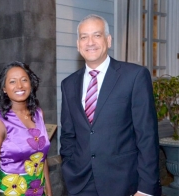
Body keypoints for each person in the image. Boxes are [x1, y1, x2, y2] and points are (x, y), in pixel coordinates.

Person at [60, 14, 160, 196]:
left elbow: (147, 135)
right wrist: (69, 167)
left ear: (108, 40)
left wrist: (146, 189)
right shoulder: (68, 84)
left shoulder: (134, 76)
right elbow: (68, 134)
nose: (90, 42)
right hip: (80, 184)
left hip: (124, 183)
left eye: (97, 35)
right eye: (84, 37)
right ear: (78, 44)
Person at [0, 61, 52, 196]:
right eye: (12, 82)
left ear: (31, 84)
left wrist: (49, 192)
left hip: (38, 191)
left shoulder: (38, 114)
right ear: (4, 88)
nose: (19, 86)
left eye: (24, 80)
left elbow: (41, 159)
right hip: (12, 190)